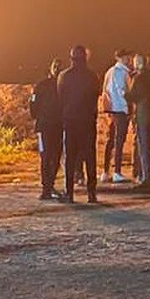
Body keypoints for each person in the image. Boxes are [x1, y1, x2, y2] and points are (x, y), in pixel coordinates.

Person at [59, 45, 101, 204]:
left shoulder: (64, 76)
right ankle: (92, 193)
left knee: (70, 157)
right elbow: (95, 96)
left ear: (71, 58)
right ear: (86, 57)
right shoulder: (92, 76)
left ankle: (69, 192)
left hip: (70, 121)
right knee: (90, 156)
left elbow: (60, 98)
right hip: (88, 121)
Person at [30, 59, 64, 200]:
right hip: (45, 127)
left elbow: (32, 104)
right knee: (46, 157)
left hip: (57, 126)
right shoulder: (42, 85)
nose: (56, 69)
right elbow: (32, 104)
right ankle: (46, 188)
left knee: (54, 157)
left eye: (59, 67)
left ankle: (49, 185)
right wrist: (38, 117)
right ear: (50, 68)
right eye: (55, 66)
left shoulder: (62, 86)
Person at [126, 54, 150, 186]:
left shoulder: (139, 78)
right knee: (149, 145)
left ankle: (146, 175)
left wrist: (124, 93)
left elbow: (134, 96)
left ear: (138, 63)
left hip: (143, 115)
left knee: (143, 145)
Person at [101, 50, 134, 183]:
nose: (129, 59)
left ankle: (106, 171)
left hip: (112, 109)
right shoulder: (121, 72)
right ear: (121, 58)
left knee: (111, 141)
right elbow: (123, 92)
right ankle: (117, 172)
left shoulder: (110, 71)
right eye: (127, 57)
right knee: (119, 140)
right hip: (120, 109)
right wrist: (127, 109)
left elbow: (106, 91)